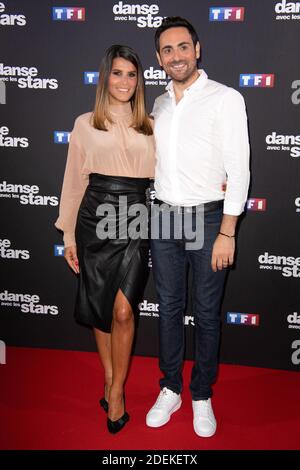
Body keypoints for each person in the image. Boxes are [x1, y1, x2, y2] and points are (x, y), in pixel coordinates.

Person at [146, 17, 250, 437]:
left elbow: (239, 169)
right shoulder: (158, 104)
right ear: (159, 58)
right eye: (168, 50)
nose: (176, 56)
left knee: (207, 313)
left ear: (197, 48)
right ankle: (170, 387)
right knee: (169, 308)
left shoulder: (225, 98)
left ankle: (201, 394)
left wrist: (228, 231)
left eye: (183, 47)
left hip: (209, 219)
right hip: (164, 215)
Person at [55, 45, 155, 434]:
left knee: (124, 311)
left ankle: (115, 392)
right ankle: (113, 381)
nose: (125, 82)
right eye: (117, 73)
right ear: (105, 78)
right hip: (93, 219)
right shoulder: (84, 124)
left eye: (132, 75)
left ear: (139, 80)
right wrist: (68, 233)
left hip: (134, 219)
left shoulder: (152, 124)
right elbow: (73, 181)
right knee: (100, 307)